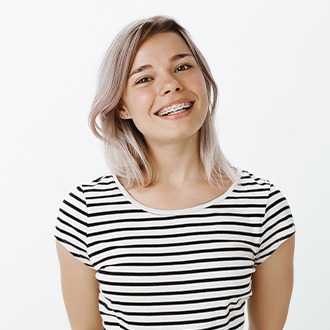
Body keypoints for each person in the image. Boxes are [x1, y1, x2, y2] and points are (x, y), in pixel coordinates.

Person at [55, 15, 295, 330]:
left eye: (182, 67)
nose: (171, 85)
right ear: (122, 107)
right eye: (144, 78)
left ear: (205, 81)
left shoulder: (263, 206)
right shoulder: (85, 211)